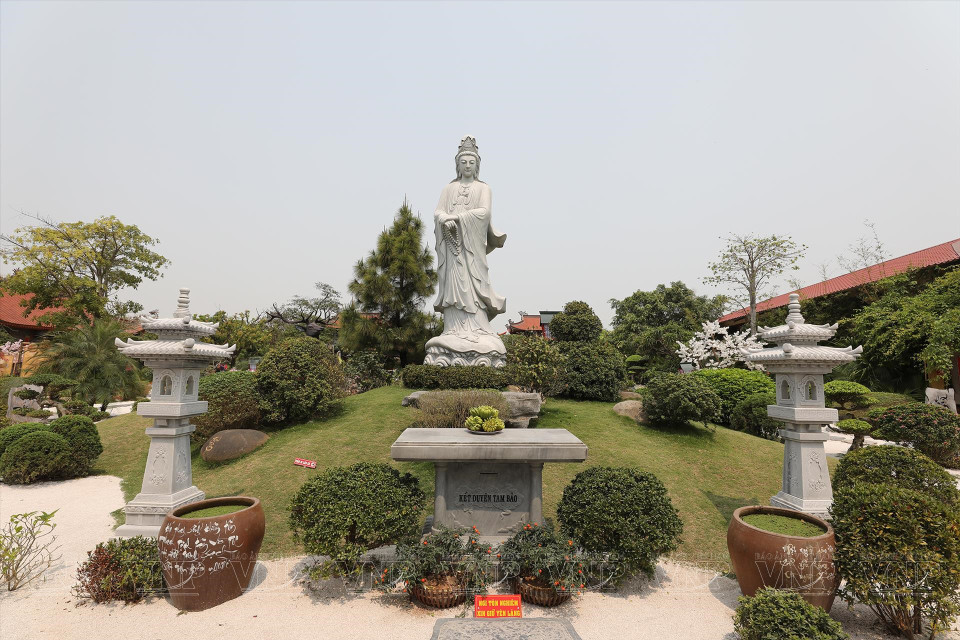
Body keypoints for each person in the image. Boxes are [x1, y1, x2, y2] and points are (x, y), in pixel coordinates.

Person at [424, 136, 508, 367]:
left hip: (471, 249)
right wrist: (445, 220)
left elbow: (483, 213)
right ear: (457, 165)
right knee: (453, 285)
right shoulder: (448, 189)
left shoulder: (484, 188)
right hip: (451, 250)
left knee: (472, 285)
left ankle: (478, 329)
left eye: (472, 161)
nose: (468, 165)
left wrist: (457, 218)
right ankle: (452, 329)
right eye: (464, 161)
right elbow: (437, 213)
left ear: (477, 165)